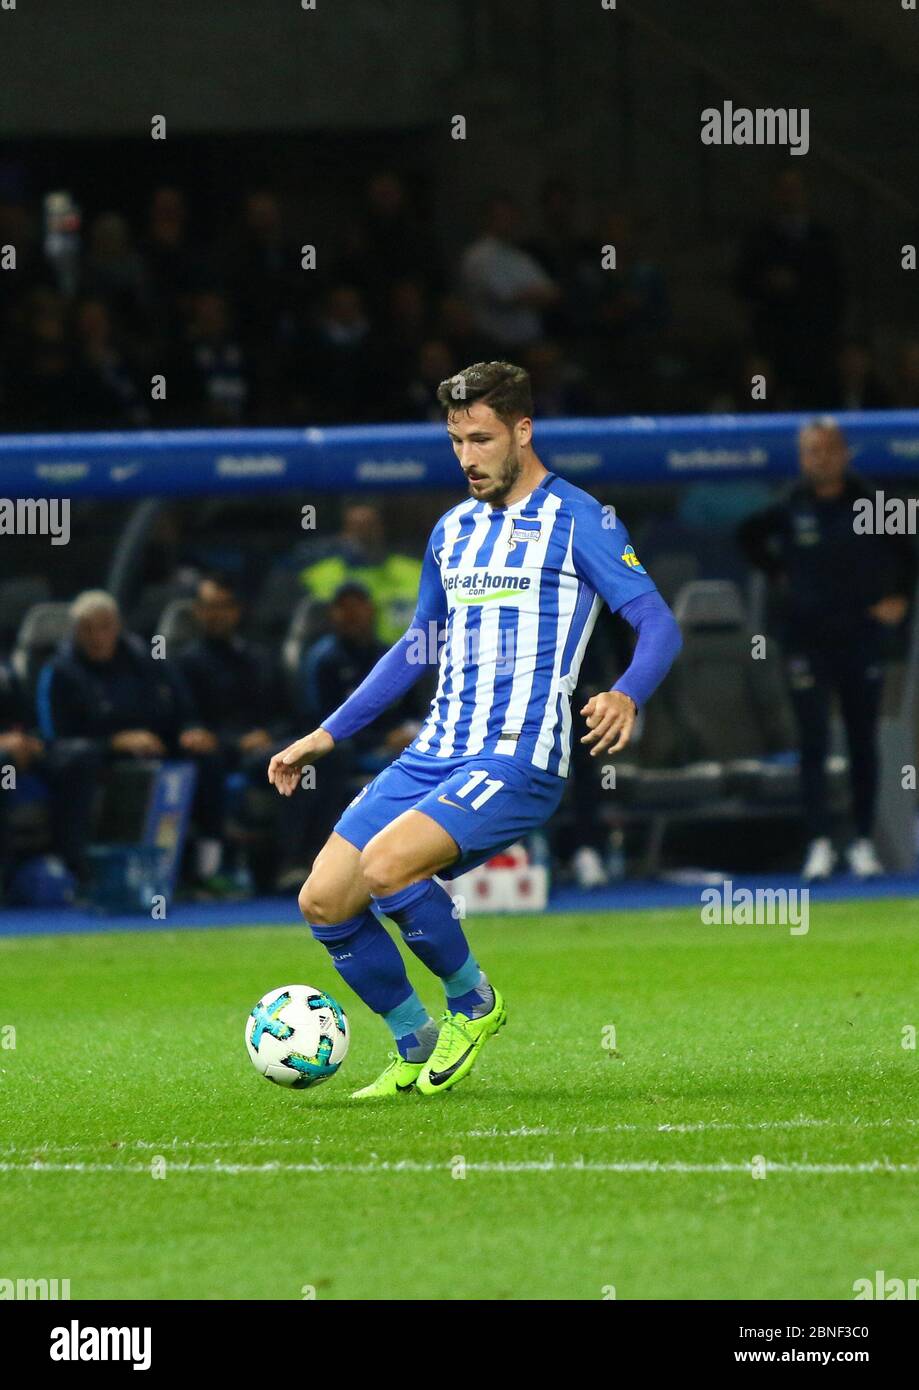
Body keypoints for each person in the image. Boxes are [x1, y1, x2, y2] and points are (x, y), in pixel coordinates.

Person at [268, 360, 682, 1099]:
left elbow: (655, 620)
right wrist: (324, 735)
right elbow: (413, 647)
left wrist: (626, 693)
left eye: (482, 439)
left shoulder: (578, 518)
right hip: (436, 751)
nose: (467, 457)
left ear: (523, 431)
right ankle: (411, 1042)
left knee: (389, 866)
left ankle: (472, 1002)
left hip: (520, 758)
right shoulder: (451, 530)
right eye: (456, 440)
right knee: (324, 898)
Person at [737, 418, 916, 880]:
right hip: (806, 640)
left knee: (862, 740)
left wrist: (900, 599)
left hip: (861, 638)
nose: (821, 459)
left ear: (845, 452)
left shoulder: (874, 504)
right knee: (813, 740)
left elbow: (910, 556)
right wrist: (778, 573)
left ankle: (860, 842)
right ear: (802, 458)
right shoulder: (789, 506)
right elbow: (747, 537)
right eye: (812, 451)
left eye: (829, 449)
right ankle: (818, 842)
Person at [36, 590, 217, 883]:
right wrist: (112, 742)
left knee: (205, 756)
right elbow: (54, 741)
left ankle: (208, 865)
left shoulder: (145, 660)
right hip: (88, 759)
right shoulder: (60, 671)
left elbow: (180, 709)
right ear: (75, 631)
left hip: (150, 749)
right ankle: (79, 871)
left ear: (117, 626)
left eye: (104, 626)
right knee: (82, 759)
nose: (97, 636)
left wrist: (190, 731)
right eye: (87, 628)